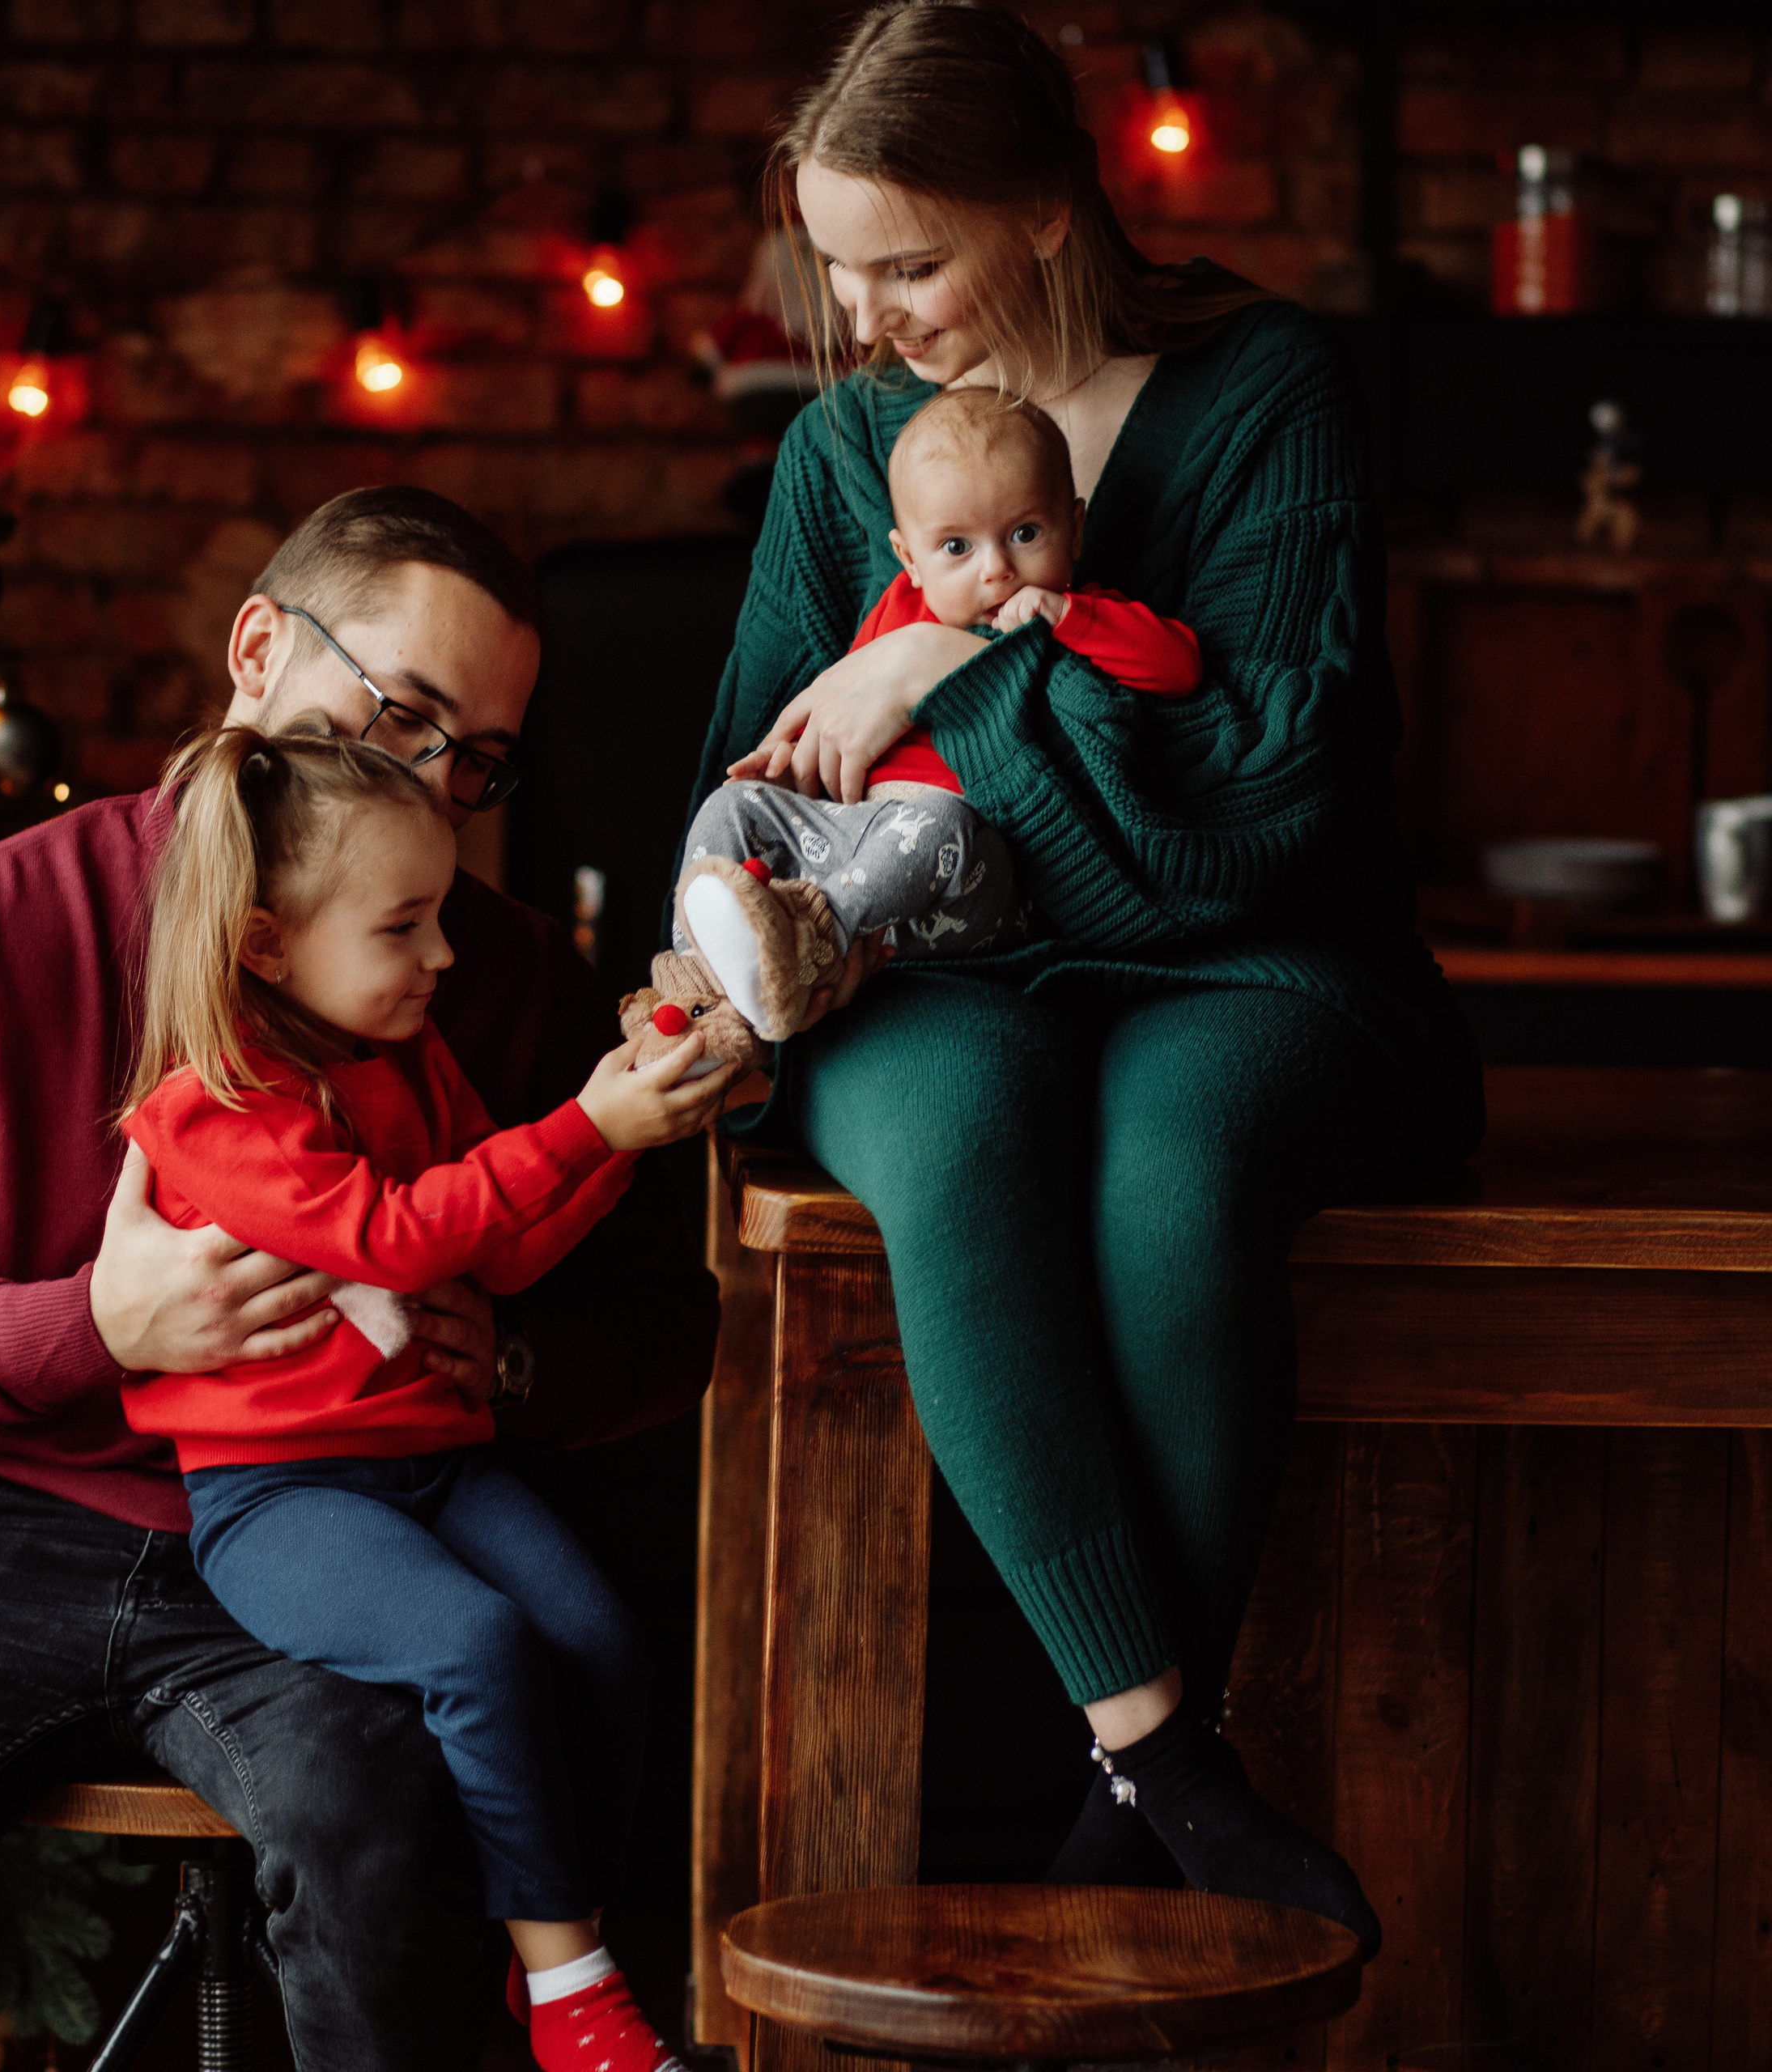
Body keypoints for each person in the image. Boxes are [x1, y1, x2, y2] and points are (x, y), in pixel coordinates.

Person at [0, 487, 720, 2072]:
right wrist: (97, 1324)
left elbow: (667, 1323)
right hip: (17, 1526)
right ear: (258, 650)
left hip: (359, 1523)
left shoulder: (503, 975)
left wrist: (511, 1360)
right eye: (399, 712)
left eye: (477, 756)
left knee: (386, 1853)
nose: (428, 780)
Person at [682, 0, 1484, 1956]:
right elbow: (750, 776)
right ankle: (1162, 1759)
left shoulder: (1265, 391)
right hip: (922, 956)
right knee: (961, 1130)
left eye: (906, 262)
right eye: (835, 268)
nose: (863, 316)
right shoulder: (837, 450)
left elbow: (1266, 803)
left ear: (1044, 208)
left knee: (1172, 1164)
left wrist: (945, 659)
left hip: (1248, 957)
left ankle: (1119, 1829)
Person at [121, 720, 729, 2072]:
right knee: (475, 1647)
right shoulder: (216, 1106)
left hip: (437, 1462)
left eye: (440, 916)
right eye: (403, 928)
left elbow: (492, 1248)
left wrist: (625, 1128)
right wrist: (588, 1126)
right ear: (268, 943)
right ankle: (573, 1993)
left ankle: (559, 1953)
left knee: (598, 1642)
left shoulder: (403, 1056)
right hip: (279, 1495)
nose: (442, 957)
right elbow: (392, 1238)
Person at [673, 385, 1200, 1038]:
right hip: (858, 840)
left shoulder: (1081, 620)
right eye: (956, 547)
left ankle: (808, 939)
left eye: (1026, 533)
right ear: (910, 560)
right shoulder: (897, 612)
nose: (997, 570)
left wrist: (1071, 618)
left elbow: (1179, 667)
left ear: (1075, 529)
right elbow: (840, 714)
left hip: (971, 873)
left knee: (937, 821)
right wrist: (785, 762)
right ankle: (698, 994)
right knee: (730, 806)